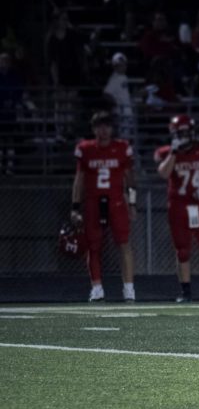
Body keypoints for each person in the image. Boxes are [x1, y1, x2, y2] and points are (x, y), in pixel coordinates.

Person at [154, 115, 199, 302]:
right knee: (183, 250)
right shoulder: (167, 152)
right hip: (178, 205)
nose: (186, 136)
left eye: (188, 132)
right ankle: (185, 293)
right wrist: (174, 152)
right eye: (182, 133)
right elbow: (163, 173)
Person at [71, 111, 137, 302]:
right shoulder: (85, 149)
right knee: (93, 246)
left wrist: (132, 202)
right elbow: (79, 180)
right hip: (93, 202)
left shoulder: (122, 147)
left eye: (107, 126)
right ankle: (97, 287)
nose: (104, 130)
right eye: (100, 126)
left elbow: (130, 179)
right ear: (93, 129)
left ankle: (129, 288)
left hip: (116, 202)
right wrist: (75, 206)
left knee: (124, 244)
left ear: (112, 128)